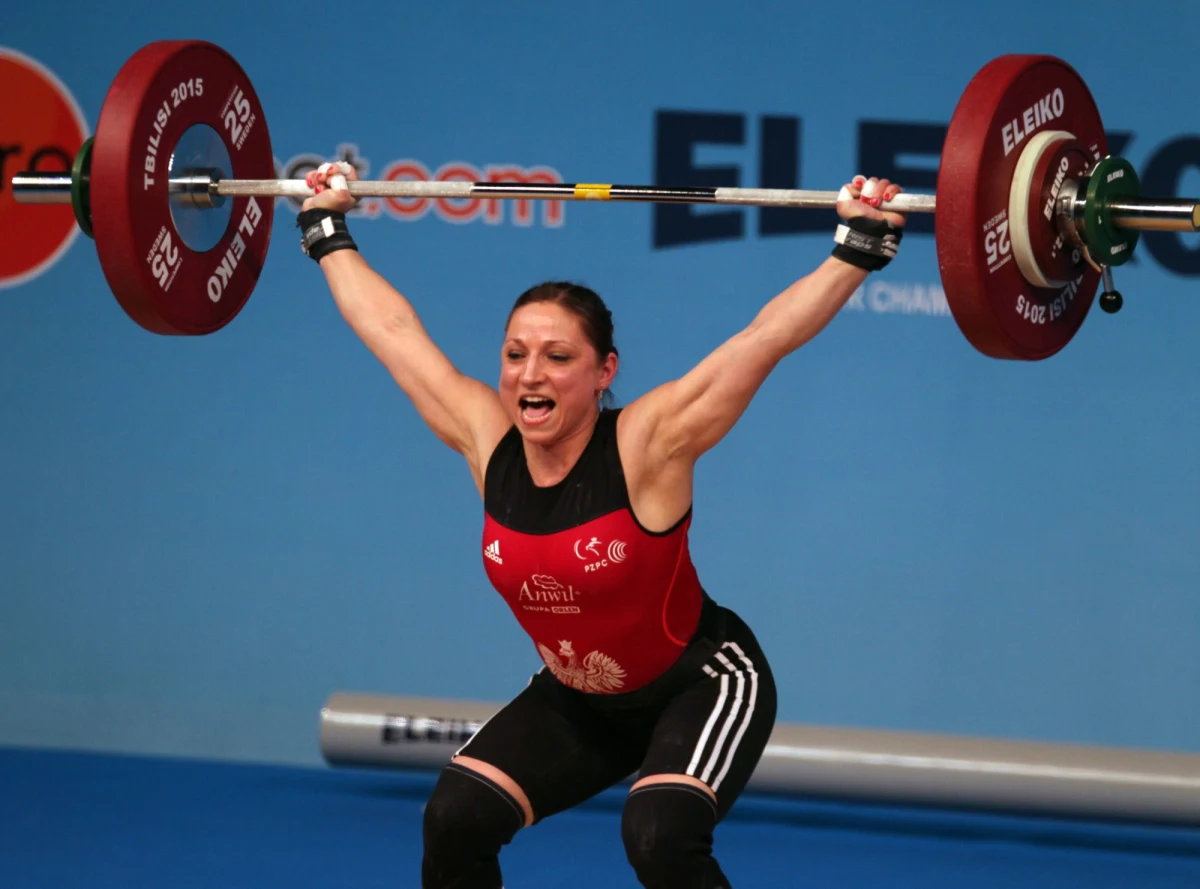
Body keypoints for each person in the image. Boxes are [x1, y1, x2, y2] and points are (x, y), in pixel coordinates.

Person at [297, 163, 907, 889]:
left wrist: (857, 246)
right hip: (580, 699)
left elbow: (761, 340)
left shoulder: (648, 443)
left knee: (658, 835)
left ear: (602, 370)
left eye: (559, 358)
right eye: (516, 355)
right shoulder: (487, 442)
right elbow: (392, 331)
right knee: (454, 818)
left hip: (703, 680)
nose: (531, 375)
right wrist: (326, 228)